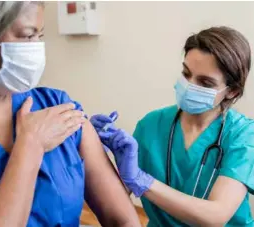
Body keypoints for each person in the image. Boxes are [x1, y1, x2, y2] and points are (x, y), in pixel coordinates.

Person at [0, 2, 142, 227]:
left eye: (40, 35)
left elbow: (124, 220)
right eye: (28, 36)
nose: (37, 48)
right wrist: (30, 147)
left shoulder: (56, 105)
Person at [91, 26, 254, 226]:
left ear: (233, 92)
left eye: (205, 83)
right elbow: (116, 200)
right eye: (186, 74)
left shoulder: (243, 135)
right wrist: (94, 153)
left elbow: (216, 215)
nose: (190, 85)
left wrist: (142, 180)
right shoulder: (151, 125)